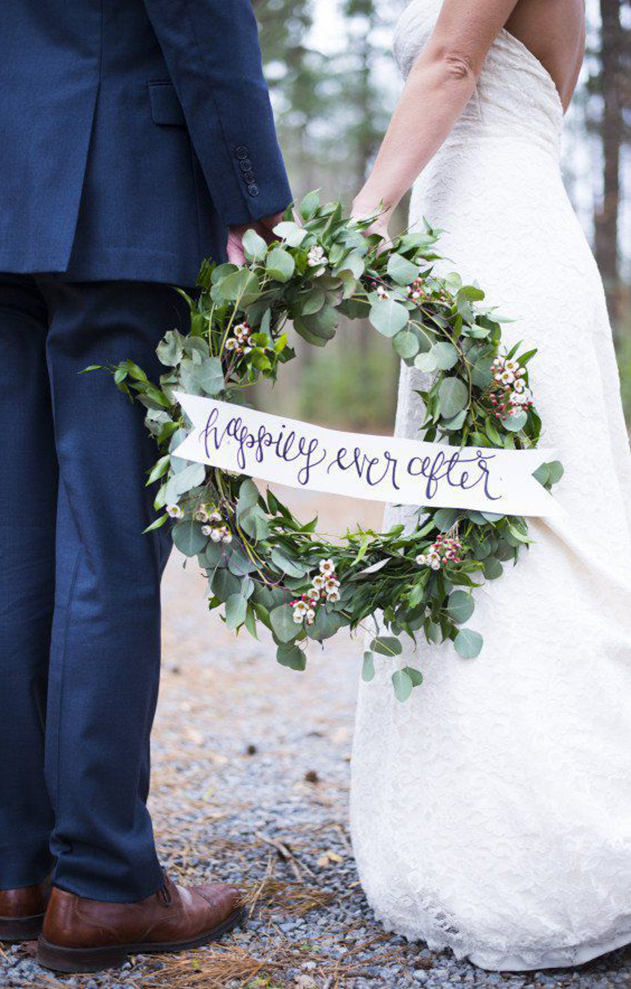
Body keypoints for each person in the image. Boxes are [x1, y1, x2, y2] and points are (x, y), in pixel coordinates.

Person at [0, 0, 291, 975]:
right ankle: (104, 882)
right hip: (118, 182)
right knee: (106, 539)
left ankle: (23, 871)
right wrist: (253, 191)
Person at [350, 0, 631, 971]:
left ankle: (560, 840)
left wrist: (361, 214)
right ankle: (458, 823)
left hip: (498, 241)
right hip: (463, 235)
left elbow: (451, 67)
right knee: (458, 522)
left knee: (527, 521)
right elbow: (539, 85)